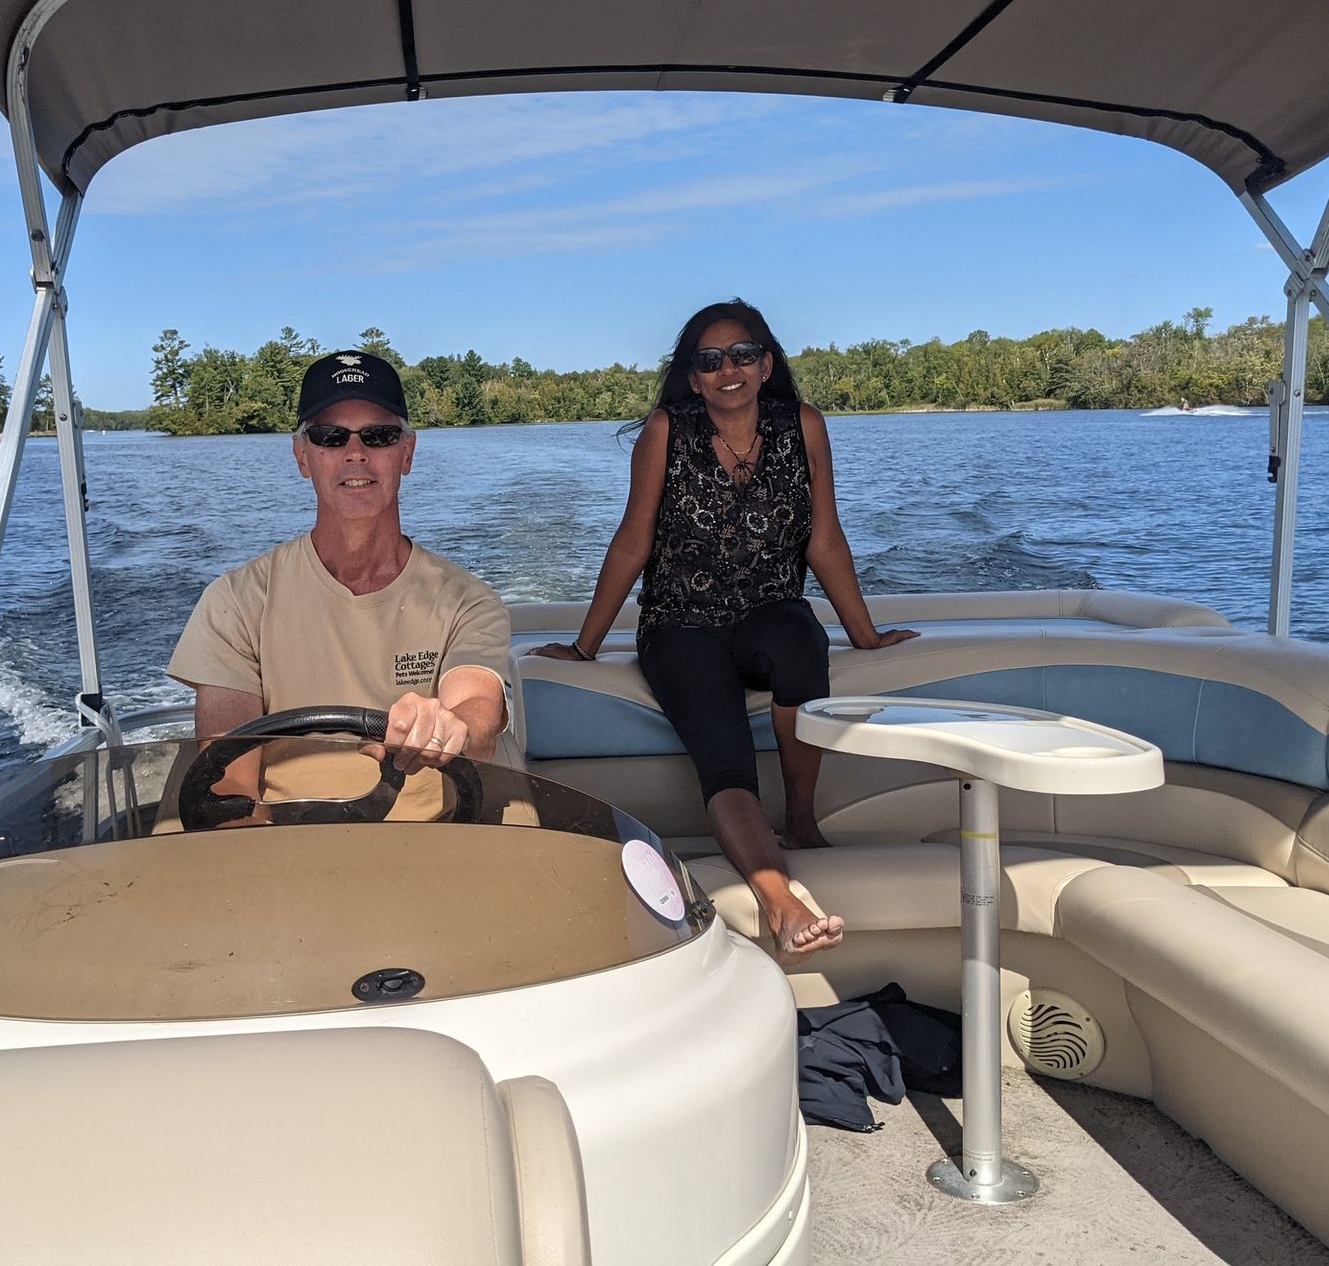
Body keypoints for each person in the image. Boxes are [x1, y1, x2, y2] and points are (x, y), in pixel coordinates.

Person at [532, 300, 917, 960]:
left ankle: (800, 816)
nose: (728, 370)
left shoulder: (804, 427)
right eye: (709, 361)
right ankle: (780, 899)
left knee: (802, 643)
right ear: (691, 376)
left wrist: (867, 636)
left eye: (741, 355)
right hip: (681, 624)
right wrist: (585, 645)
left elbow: (824, 539)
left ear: (766, 364)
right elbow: (633, 543)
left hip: (771, 611)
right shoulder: (665, 431)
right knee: (723, 750)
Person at [168, 350, 509, 818]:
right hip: (279, 849)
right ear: (302, 456)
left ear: (406, 453)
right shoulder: (236, 601)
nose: (355, 453)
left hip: (430, 844)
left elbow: (478, 711)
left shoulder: (468, 601)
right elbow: (231, 786)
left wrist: (452, 725)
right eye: (330, 436)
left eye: (379, 435)